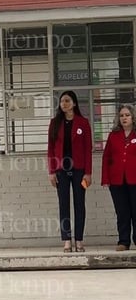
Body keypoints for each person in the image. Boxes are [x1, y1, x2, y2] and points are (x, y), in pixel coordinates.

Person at [47, 90, 92, 252]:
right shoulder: (55, 123)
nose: (64, 104)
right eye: (61, 102)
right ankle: (66, 240)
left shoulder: (83, 123)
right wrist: (51, 171)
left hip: (80, 170)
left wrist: (88, 173)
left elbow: (88, 149)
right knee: (63, 204)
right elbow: (51, 149)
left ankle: (79, 239)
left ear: (74, 103)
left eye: (67, 101)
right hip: (61, 170)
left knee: (80, 204)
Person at [101, 103, 136, 251]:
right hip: (117, 180)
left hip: (134, 179)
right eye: (121, 115)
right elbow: (106, 157)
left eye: (127, 115)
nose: (124, 118)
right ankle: (123, 241)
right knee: (122, 212)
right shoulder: (113, 135)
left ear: (133, 117)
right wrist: (105, 179)